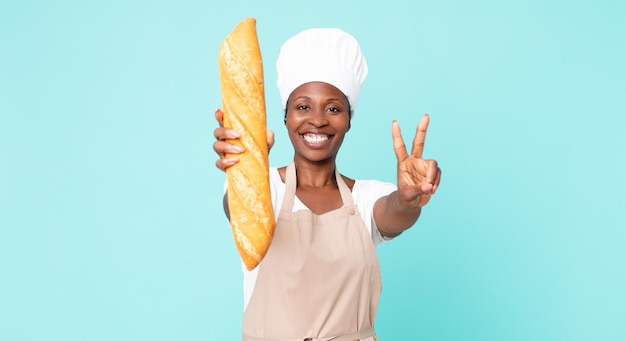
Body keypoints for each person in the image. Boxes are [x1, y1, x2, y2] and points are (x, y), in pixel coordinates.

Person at [213, 27, 441, 341]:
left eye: (333, 108)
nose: (318, 120)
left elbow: (394, 213)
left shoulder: (366, 197)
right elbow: (238, 209)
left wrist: (407, 198)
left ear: (349, 119)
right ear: (287, 118)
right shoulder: (262, 189)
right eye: (303, 106)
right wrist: (244, 166)